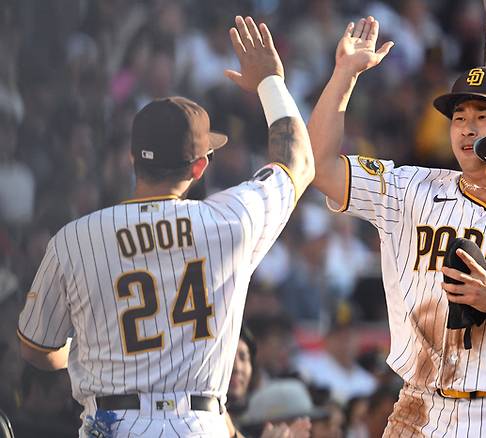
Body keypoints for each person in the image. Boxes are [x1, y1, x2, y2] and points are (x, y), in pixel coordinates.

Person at [17, 15, 314, 438]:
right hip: (198, 423)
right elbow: (298, 161)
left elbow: (35, 348)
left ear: (131, 159)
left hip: (112, 423)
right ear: (199, 166)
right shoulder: (232, 220)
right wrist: (271, 81)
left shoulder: (74, 238)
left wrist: (83, 351)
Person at [308, 16, 486, 437]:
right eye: (458, 116)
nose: (466, 127)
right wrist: (344, 75)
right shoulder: (411, 188)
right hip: (418, 404)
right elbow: (318, 167)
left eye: (483, 116)